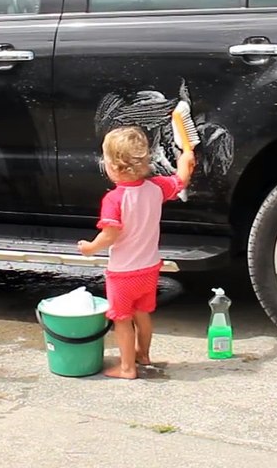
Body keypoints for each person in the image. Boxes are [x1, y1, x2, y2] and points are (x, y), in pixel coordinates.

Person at [78, 125, 194, 379]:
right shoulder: (156, 188)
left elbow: (110, 234)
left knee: (122, 320)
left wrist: (90, 248)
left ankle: (127, 367)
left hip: (123, 275)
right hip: (150, 269)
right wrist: (185, 160)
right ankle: (143, 354)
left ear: (115, 167)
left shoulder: (114, 200)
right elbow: (181, 179)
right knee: (142, 315)